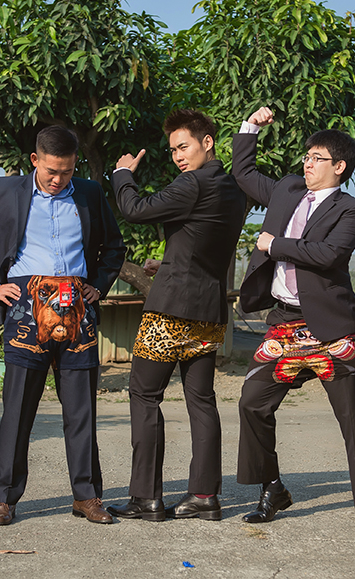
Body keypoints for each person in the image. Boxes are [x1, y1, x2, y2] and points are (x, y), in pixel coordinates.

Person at [0, 125, 125, 526]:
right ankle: (5, 499)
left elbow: (114, 247)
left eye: (66, 171)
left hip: (77, 310)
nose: (58, 179)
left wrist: (99, 285)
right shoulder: (3, 190)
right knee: (17, 410)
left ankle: (87, 496)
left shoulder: (89, 193)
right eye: (51, 171)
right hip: (25, 309)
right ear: (35, 160)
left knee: (81, 411)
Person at [232, 106, 355, 528]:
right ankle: (272, 488)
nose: (307, 163)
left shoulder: (353, 209)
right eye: (307, 155)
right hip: (283, 324)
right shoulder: (286, 190)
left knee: (352, 418)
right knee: (252, 403)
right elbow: (244, 174)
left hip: (331, 328)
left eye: (317, 158)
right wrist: (250, 127)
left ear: (339, 167)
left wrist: (273, 244)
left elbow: (329, 254)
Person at [106, 109, 246, 522]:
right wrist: (166, 263)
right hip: (208, 311)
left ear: (208, 142)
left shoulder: (193, 183)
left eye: (183, 146)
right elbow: (203, 241)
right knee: (201, 401)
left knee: (144, 395)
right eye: (173, 150)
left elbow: (135, 209)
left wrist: (122, 174)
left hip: (170, 313)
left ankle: (146, 497)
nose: (178, 157)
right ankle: (204, 495)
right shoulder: (234, 189)